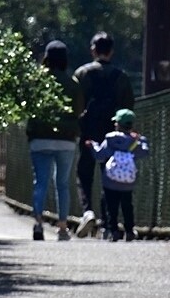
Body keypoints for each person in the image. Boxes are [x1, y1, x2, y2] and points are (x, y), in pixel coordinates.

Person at [72, 31, 135, 238]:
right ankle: (109, 225)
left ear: (93, 50)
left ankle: (88, 211)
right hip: (113, 134)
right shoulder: (121, 76)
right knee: (110, 176)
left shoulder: (82, 73)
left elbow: (74, 103)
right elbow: (128, 107)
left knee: (84, 174)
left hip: (88, 132)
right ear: (112, 51)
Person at [26, 40, 79, 241]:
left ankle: (38, 223)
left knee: (40, 182)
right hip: (66, 140)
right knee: (63, 184)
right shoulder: (72, 84)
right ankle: (63, 227)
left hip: (40, 139)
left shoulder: (36, 82)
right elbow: (79, 109)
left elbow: (28, 108)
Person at [85, 108, 150, 241]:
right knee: (127, 205)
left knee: (111, 205)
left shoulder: (110, 139)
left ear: (118, 124)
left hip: (110, 180)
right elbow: (144, 152)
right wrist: (142, 140)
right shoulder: (134, 141)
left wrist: (93, 145)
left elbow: (100, 155)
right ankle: (129, 230)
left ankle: (113, 230)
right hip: (128, 181)